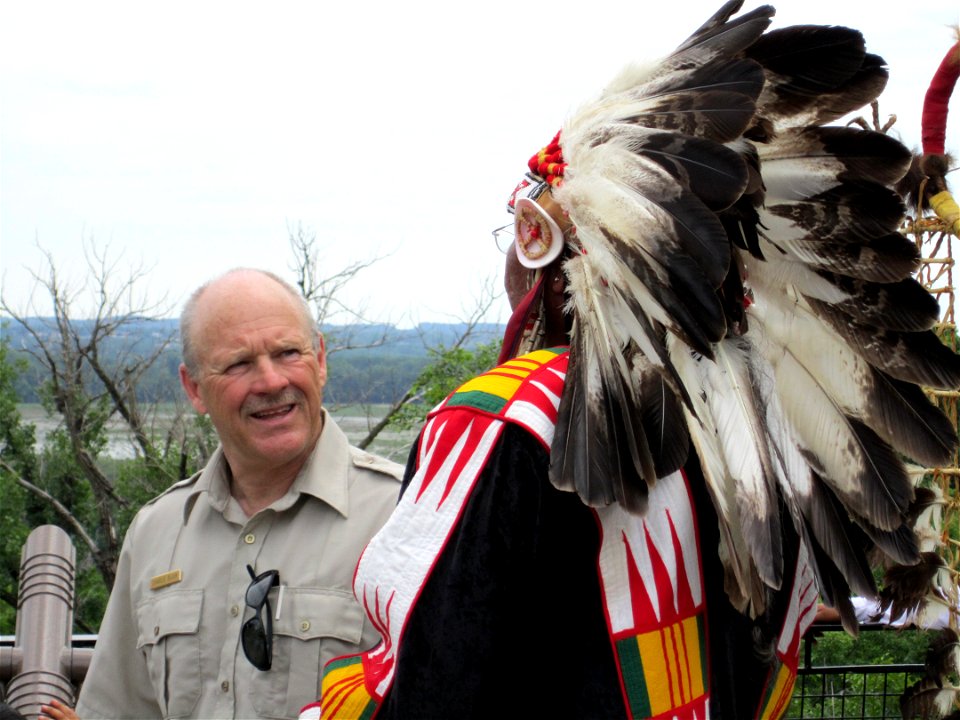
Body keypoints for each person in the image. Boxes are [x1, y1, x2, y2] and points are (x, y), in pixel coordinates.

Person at [304, 3, 958, 719]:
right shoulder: (777, 444)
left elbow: (424, 685)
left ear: (553, 260)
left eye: (522, 235)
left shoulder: (501, 422)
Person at [75, 268, 403, 719]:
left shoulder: (403, 519)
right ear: (195, 388)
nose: (270, 382)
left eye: (288, 353)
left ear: (321, 359)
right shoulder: (157, 532)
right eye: (238, 364)